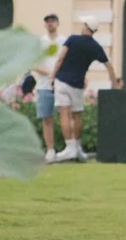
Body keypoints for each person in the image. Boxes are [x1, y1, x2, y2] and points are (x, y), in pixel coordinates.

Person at [49, 15, 120, 162]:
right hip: (78, 84)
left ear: (86, 27)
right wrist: (115, 85)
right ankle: (77, 147)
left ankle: (69, 148)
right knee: (77, 115)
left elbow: (60, 59)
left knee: (64, 113)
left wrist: (52, 77)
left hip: (62, 80)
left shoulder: (73, 39)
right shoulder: (95, 47)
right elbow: (109, 67)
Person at [35, 13, 62, 163]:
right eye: (47, 22)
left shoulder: (64, 41)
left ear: (58, 23)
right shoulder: (40, 43)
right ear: (45, 25)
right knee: (47, 118)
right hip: (44, 85)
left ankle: (69, 147)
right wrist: (51, 74)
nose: (50, 24)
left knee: (66, 115)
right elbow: (35, 64)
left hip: (62, 83)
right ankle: (50, 149)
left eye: (53, 21)